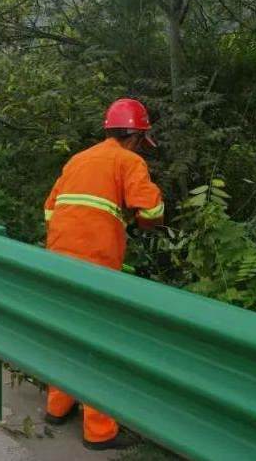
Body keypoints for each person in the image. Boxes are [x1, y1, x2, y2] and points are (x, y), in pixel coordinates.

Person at [42, 97, 165, 451]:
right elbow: (151, 208)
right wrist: (143, 222)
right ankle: (99, 432)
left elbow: (50, 209)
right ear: (137, 137)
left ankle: (57, 407)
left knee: (66, 333)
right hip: (96, 264)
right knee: (99, 341)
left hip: (57, 258)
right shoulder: (129, 161)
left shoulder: (79, 159)